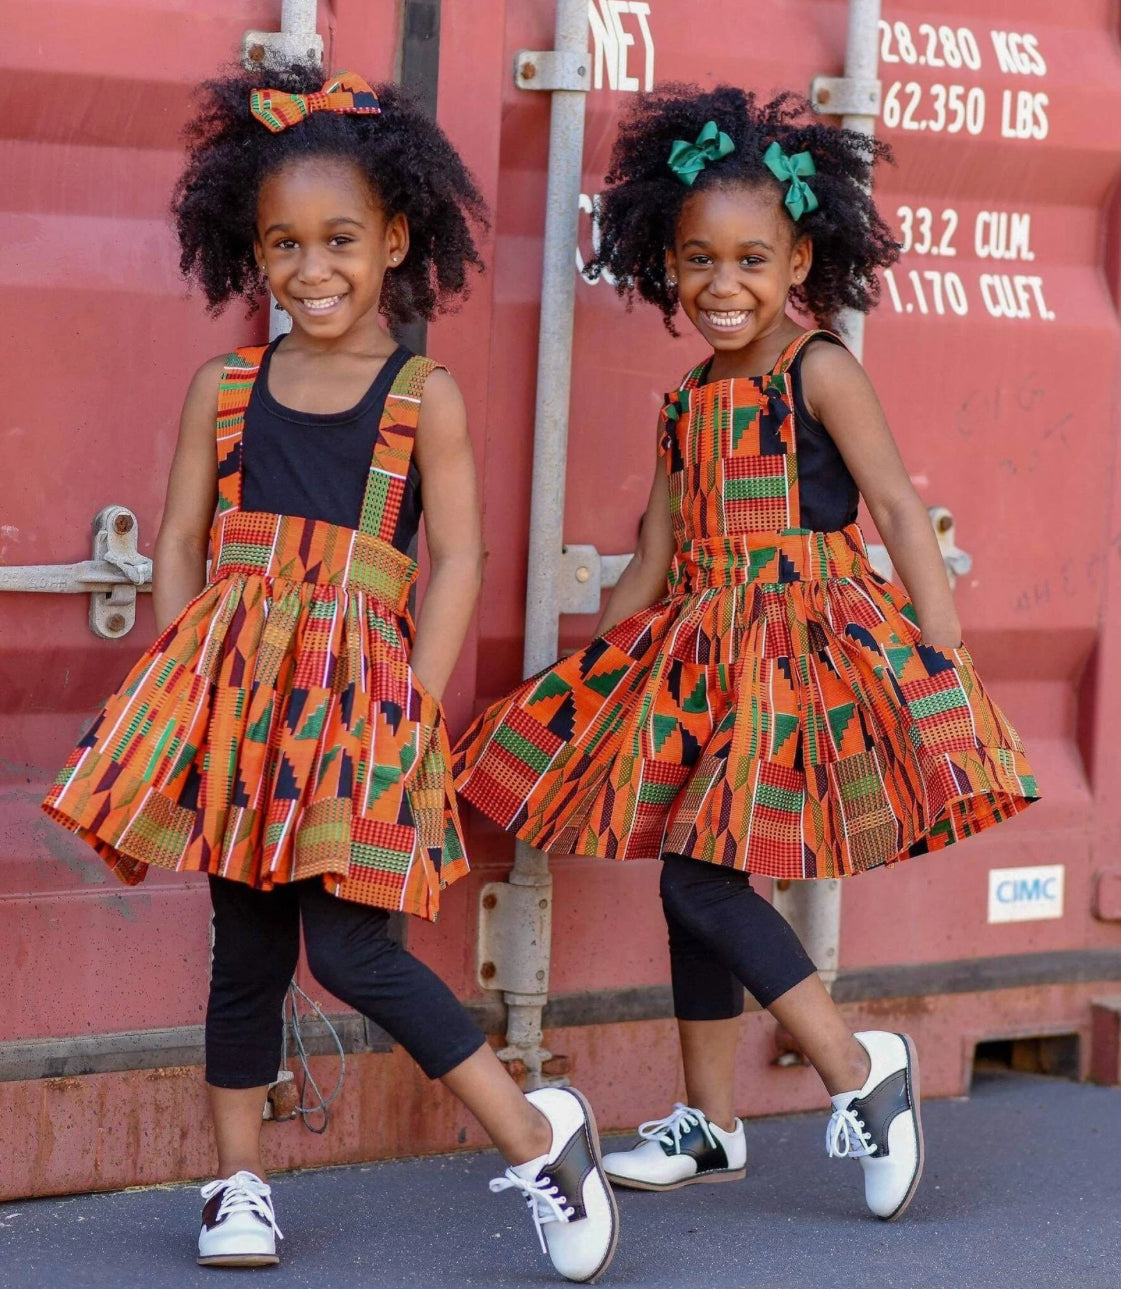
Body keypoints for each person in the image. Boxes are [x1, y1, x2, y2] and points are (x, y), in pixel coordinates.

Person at [43, 65, 617, 1283]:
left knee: (355, 953)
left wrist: (413, 696)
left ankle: (533, 1136)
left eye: (341, 240)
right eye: (282, 243)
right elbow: (185, 540)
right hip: (237, 702)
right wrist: (182, 678)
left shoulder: (423, 398)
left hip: (361, 706)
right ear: (248, 250)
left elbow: (455, 555)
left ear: (396, 238)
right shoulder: (225, 388)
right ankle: (236, 1182)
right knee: (243, 944)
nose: (311, 268)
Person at [454, 84, 1038, 1222]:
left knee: (701, 874)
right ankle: (711, 1122)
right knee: (695, 886)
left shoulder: (816, 368)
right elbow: (649, 559)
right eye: (697, 261)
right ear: (661, 263)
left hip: (803, 647)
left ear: (800, 258)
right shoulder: (684, 405)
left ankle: (854, 1067)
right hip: (701, 654)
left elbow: (895, 508)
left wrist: (940, 640)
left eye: (751, 260)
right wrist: (578, 682)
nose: (723, 286)